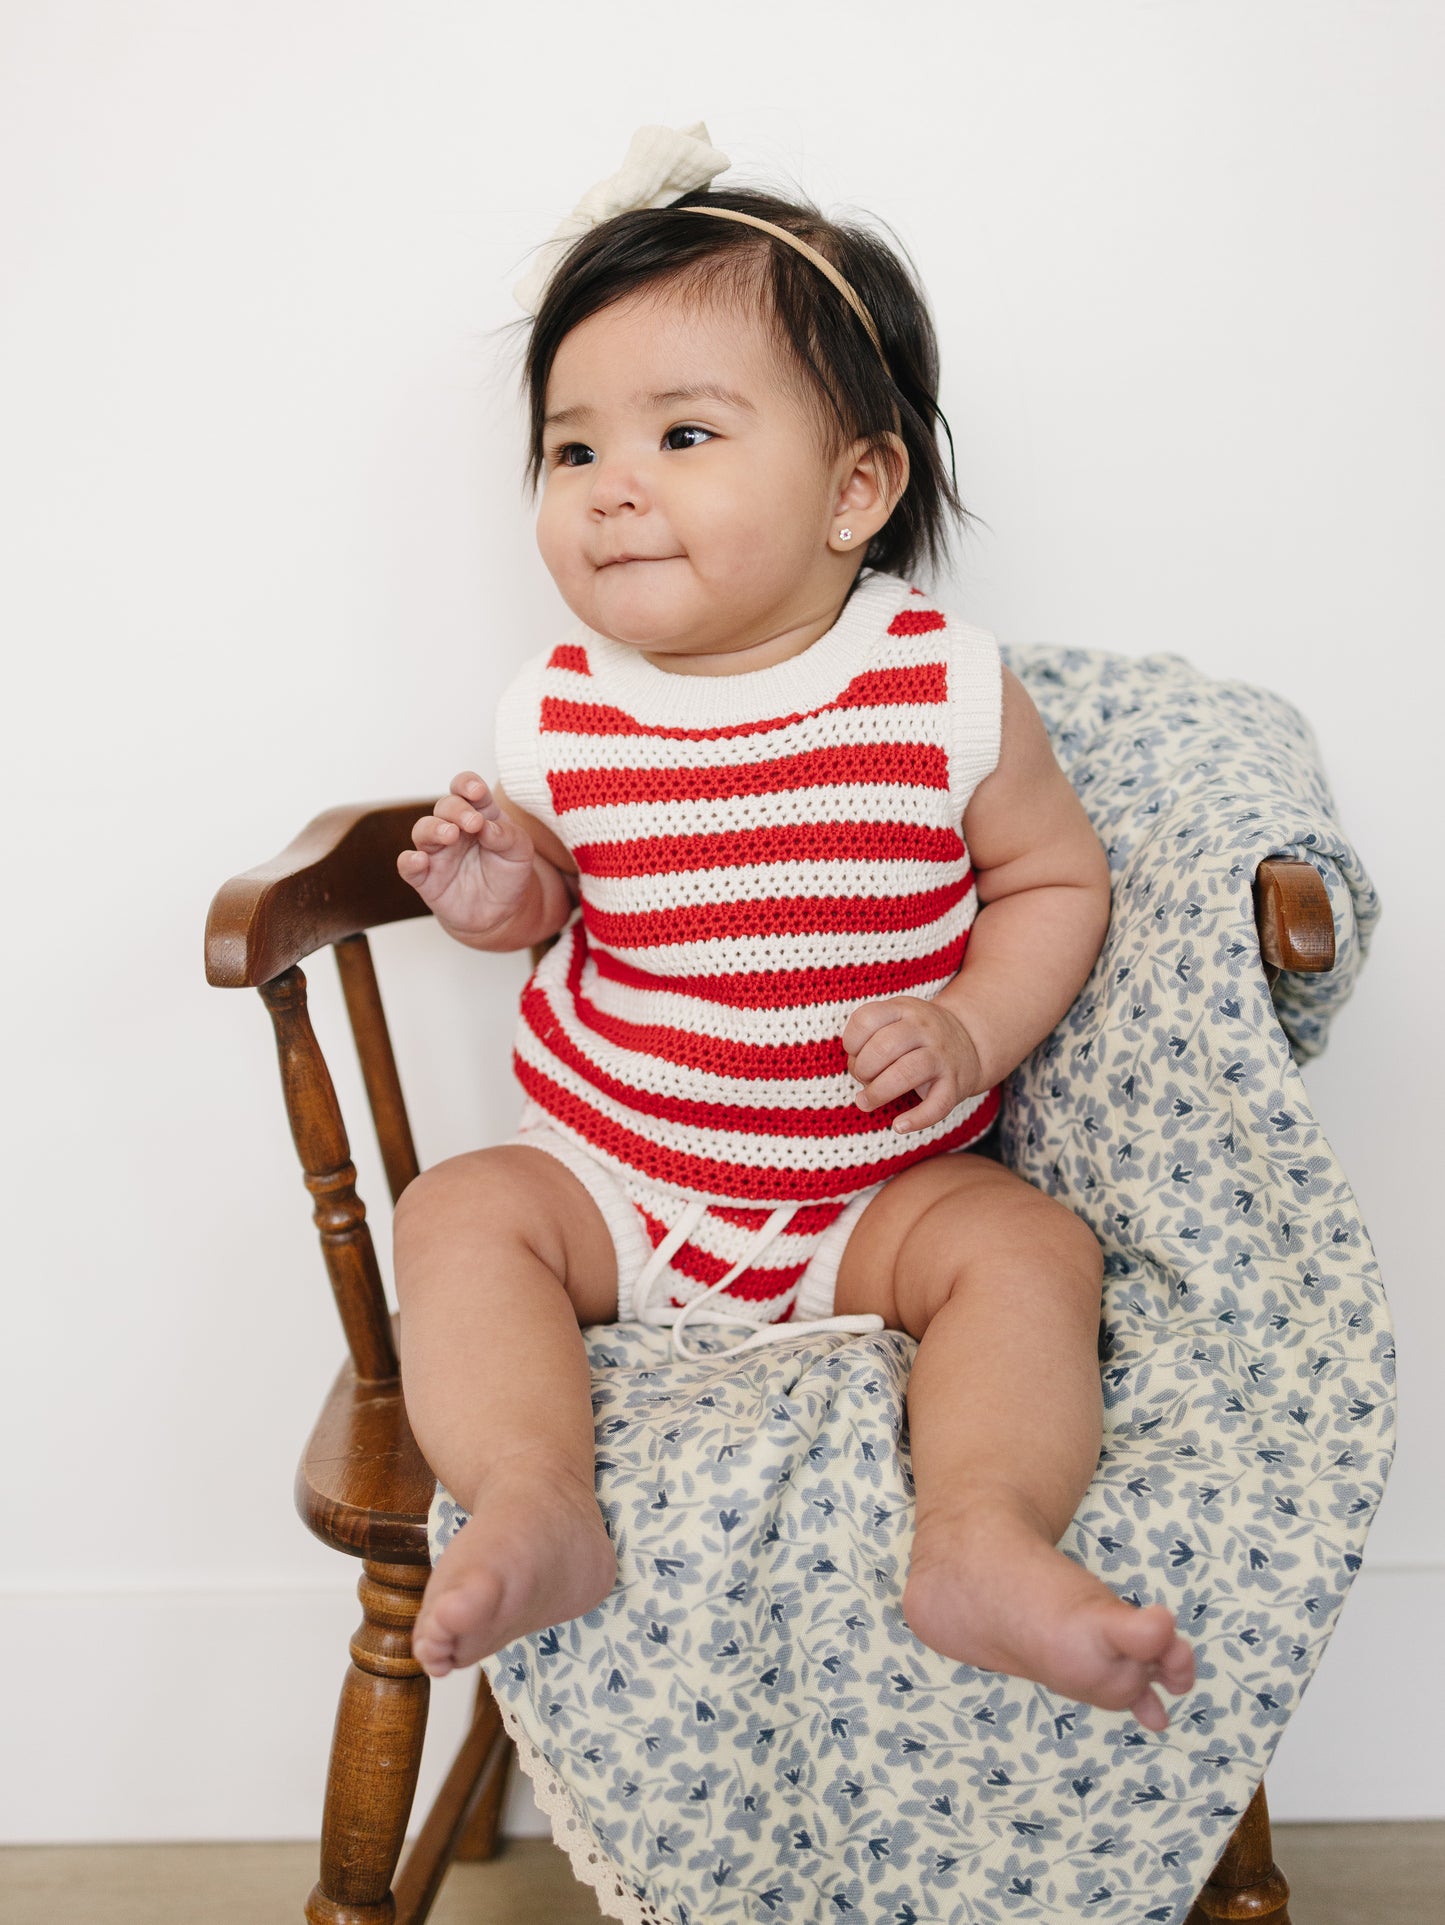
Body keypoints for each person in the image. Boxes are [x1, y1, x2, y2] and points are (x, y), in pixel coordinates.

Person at [394, 127, 1196, 1732]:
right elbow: (566, 893)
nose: (610, 485)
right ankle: (537, 1493)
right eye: (569, 452)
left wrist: (969, 1025)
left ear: (855, 487)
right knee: (462, 1210)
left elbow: (1052, 880)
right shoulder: (557, 713)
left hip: (870, 1194)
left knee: (1027, 1250)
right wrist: (506, 895)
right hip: (621, 1186)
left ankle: (976, 1530)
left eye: (683, 433)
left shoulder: (936, 688)